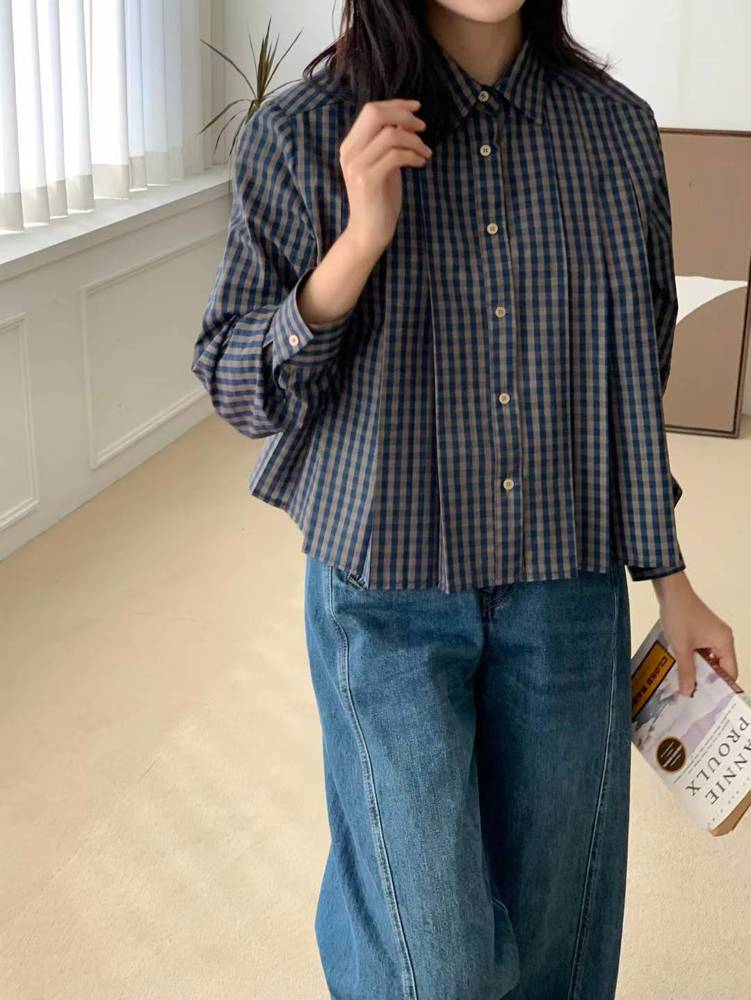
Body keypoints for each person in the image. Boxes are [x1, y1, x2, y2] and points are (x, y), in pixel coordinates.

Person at [191, 2, 738, 997]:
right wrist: (357, 244)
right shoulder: (305, 130)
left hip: (566, 591)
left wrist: (672, 580)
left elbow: (625, 376)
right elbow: (236, 386)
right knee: (431, 961)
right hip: (384, 600)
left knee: (561, 943)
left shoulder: (613, 129)